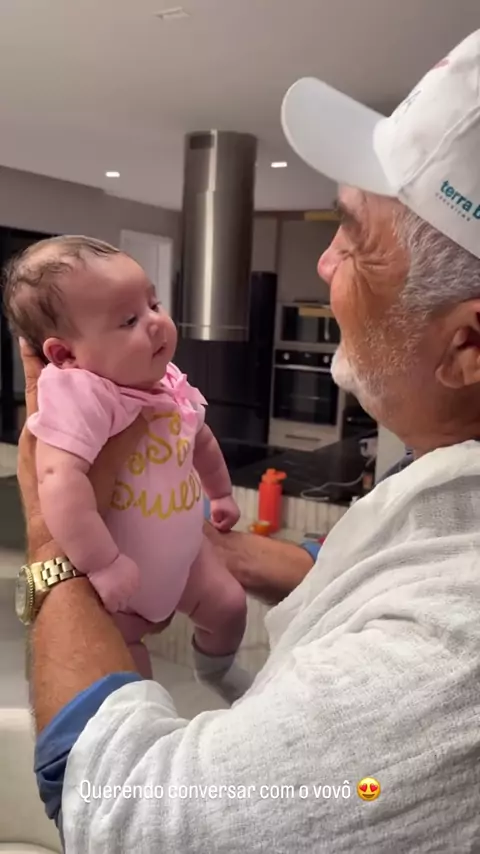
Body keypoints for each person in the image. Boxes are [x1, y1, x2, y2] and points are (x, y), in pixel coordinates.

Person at [17, 27, 480, 852]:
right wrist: (236, 552)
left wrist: (54, 546)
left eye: (354, 237)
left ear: (468, 346)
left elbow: (132, 815)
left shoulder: (451, 649)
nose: (325, 265)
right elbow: (392, 561)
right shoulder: (445, 491)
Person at [5, 235, 252, 701]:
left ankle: (216, 671)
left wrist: (219, 492)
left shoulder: (164, 380)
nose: (156, 322)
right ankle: (148, 718)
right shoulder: (84, 394)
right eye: (129, 320)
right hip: (120, 572)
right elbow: (58, 480)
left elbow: (199, 437)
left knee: (230, 605)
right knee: (127, 671)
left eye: (153, 304)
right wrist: (103, 563)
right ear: (65, 355)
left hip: (188, 560)